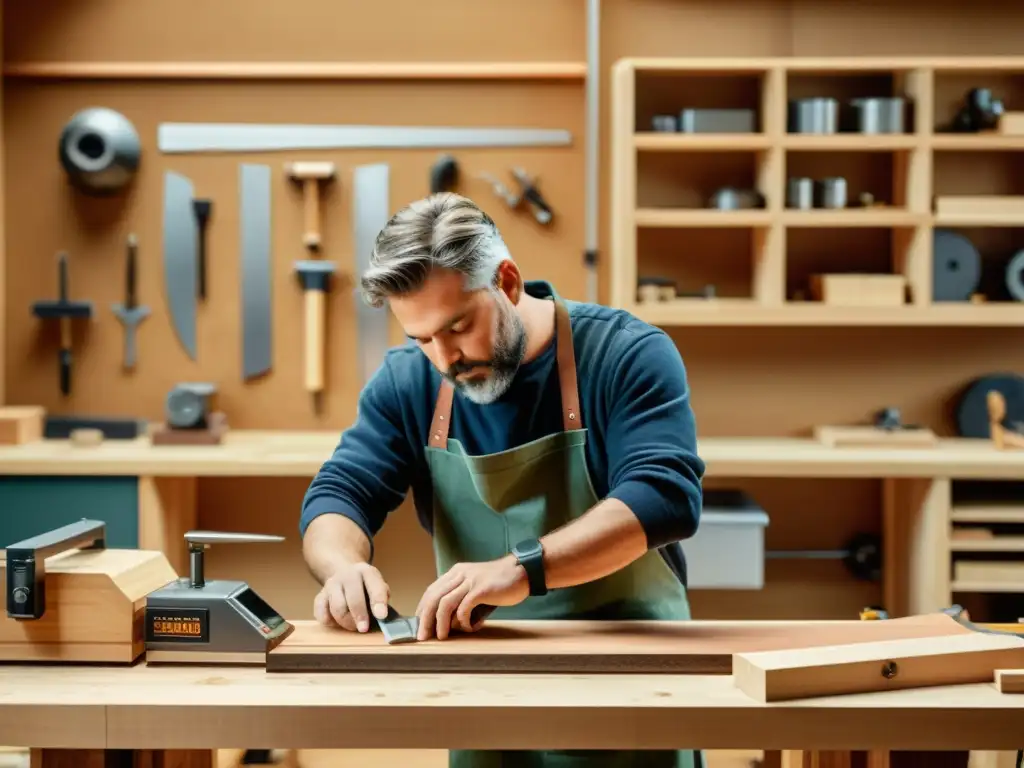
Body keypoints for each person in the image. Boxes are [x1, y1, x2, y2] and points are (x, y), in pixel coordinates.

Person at [299, 192, 705, 768]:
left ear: (507, 282)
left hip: (630, 674)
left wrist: (520, 569)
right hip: (482, 684)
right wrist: (342, 569)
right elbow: (339, 494)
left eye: (458, 327)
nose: (445, 359)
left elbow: (664, 497)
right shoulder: (408, 383)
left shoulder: (625, 354)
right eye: (422, 339)